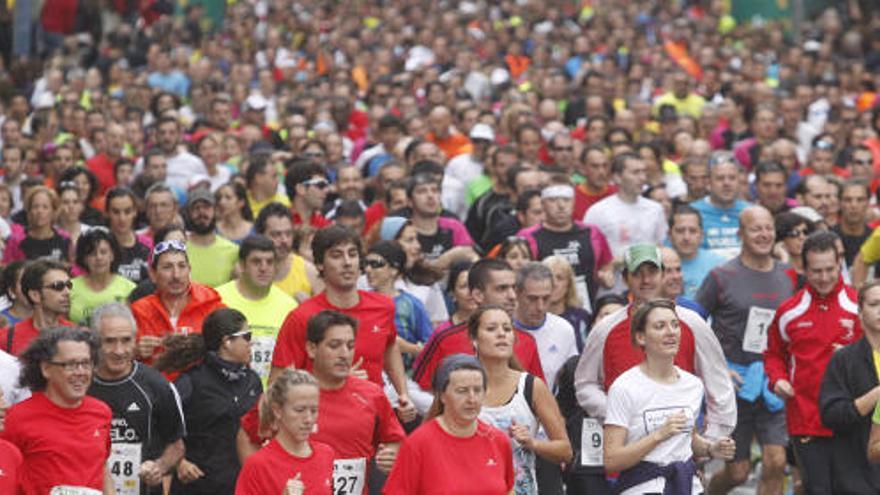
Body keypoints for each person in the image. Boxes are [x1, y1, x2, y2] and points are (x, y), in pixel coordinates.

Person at [574, 243, 736, 439]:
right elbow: (585, 384)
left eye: (652, 272)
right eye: (637, 273)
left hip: (681, 443)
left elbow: (719, 384)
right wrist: (617, 416)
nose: (646, 280)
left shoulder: (692, 323)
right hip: (625, 446)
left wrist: (712, 439)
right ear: (625, 278)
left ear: (662, 275)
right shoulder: (605, 328)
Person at [270, 225, 416, 422]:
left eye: (353, 254)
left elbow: (389, 347)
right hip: (321, 424)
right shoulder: (301, 317)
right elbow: (277, 384)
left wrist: (403, 395)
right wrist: (334, 381)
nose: (347, 262)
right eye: (336, 255)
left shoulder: (383, 306)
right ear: (320, 264)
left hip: (373, 419)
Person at [697, 206, 795, 495]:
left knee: (776, 461)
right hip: (734, 384)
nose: (763, 234)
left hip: (773, 381)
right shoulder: (721, 276)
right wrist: (716, 367)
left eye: (768, 228)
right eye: (755, 229)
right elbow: (694, 324)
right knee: (738, 474)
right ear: (741, 234)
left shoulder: (788, 275)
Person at [765, 231, 863, 494]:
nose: (824, 278)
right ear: (804, 269)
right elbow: (774, 354)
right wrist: (778, 379)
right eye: (816, 271)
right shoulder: (789, 311)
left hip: (853, 419)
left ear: (839, 263)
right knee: (817, 489)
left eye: (830, 269)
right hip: (806, 419)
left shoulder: (860, 307)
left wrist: (855, 356)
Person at [604, 299, 735, 494]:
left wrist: (710, 448)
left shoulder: (692, 385)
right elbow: (612, 460)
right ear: (641, 337)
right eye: (660, 326)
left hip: (688, 485)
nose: (671, 331)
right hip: (643, 486)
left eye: (675, 325)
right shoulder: (624, 387)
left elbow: (686, 439)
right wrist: (658, 435)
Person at [156, 308, 262, 495]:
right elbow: (158, 423)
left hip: (241, 487)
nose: (251, 342)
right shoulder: (191, 382)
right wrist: (179, 462)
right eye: (246, 336)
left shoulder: (253, 381)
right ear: (227, 342)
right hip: (198, 486)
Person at [470, 305, 572, 495]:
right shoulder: (457, 383)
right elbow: (428, 438)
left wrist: (533, 443)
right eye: (491, 329)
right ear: (474, 340)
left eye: (507, 329)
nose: (501, 334)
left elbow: (565, 450)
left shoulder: (532, 386)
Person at [87, 302, 186, 495]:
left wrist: (159, 466)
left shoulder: (156, 384)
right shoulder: (80, 385)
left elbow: (176, 445)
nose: (119, 350)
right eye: (109, 341)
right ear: (94, 341)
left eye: (126, 340)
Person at [2, 326, 114, 494]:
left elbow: (102, 466)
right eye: (70, 365)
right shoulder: (16, 418)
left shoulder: (101, 412)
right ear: (46, 368)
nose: (80, 372)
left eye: (86, 364)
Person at [383, 354, 515, 494]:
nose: (472, 399)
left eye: (477, 390)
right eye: (462, 391)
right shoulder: (418, 444)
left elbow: (509, 490)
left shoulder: (498, 440)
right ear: (442, 396)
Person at [412, 259, 545, 391]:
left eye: (514, 288)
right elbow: (419, 388)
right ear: (478, 295)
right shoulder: (445, 339)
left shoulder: (528, 341)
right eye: (502, 288)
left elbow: (538, 395)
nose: (512, 296)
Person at [819, 281, 880, 493]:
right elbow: (831, 415)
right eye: (875, 304)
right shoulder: (844, 360)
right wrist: (875, 395)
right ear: (860, 312)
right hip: (857, 475)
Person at [519, 176, 614, 311]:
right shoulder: (528, 237)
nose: (561, 206)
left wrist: (606, 275)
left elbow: (606, 264)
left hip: (586, 310)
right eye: (553, 200)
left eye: (566, 199)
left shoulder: (592, 233)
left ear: (574, 201)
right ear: (543, 203)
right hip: (543, 312)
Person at [235, 369, 335, 495]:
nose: (308, 419)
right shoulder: (258, 465)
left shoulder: (326, 454)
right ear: (277, 411)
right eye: (300, 410)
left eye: (314, 410)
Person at [215, 234, 298, 383]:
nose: (264, 268)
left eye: (269, 262)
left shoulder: (290, 306)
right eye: (256, 262)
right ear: (242, 265)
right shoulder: (218, 299)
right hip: (229, 394)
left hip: (274, 399)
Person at [131, 239, 225, 364]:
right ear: (153, 274)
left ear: (189, 270)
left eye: (182, 266)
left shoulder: (211, 303)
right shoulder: (139, 311)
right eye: (167, 267)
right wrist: (134, 352)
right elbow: (117, 354)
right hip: (156, 381)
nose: (176, 275)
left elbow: (231, 347)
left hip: (201, 382)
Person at [584, 152, 667, 257]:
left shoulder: (655, 209)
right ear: (617, 177)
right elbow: (590, 252)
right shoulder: (598, 211)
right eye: (635, 173)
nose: (642, 178)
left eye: (643, 172)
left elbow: (662, 246)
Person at [365, 241, 433, 365]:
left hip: (406, 377)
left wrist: (406, 347)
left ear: (394, 270)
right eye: (366, 264)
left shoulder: (412, 304)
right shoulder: (360, 301)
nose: (368, 269)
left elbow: (432, 350)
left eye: (376, 264)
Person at [513, 262, 578, 392]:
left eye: (546, 298)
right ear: (517, 293)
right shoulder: (501, 329)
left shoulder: (564, 329)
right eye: (532, 299)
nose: (540, 307)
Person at [0, 259, 73, 355]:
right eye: (58, 286)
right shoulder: (6, 338)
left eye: (69, 285)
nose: (67, 292)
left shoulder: (76, 334)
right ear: (35, 295)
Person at [690, 152, 751, 260]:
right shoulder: (691, 212)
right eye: (720, 178)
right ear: (709, 182)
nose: (726, 183)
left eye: (732, 178)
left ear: (739, 181)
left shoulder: (752, 212)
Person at [255, 202, 320, 302]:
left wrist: (308, 306)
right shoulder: (245, 271)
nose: (284, 240)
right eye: (276, 234)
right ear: (260, 235)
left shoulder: (309, 272)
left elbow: (325, 315)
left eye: (288, 233)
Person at [70, 228, 136, 325]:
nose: (99, 258)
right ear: (84, 259)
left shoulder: (129, 288)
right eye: (92, 254)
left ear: (112, 255)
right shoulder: (69, 287)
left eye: (103, 252)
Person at [185, 188, 240, 288]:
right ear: (189, 214)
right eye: (196, 208)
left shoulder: (233, 250)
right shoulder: (180, 248)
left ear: (216, 211)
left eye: (206, 207)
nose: (201, 212)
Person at [668, 205, 724, 299]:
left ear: (701, 235)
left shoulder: (719, 266)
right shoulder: (658, 265)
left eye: (693, 231)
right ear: (669, 235)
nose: (686, 237)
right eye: (680, 231)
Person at [3, 185, 72, 263]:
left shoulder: (64, 239)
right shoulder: (16, 241)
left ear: (53, 211)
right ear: (29, 211)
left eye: (45, 207)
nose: (40, 211)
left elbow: (71, 268)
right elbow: (7, 270)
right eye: (35, 206)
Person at [543, 255, 592, 352]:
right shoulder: (533, 317)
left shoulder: (582, 317)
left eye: (560, 278)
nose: (554, 283)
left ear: (569, 284)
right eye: (549, 277)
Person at [105, 187, 152, 284]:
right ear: (107, 213)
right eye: (116, 212)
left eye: (127, 211)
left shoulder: (149, 246)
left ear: (135, 212)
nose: (122, 218)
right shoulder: (98, 247)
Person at [436, 261, 476, 334]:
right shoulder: (443, 332)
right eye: (464, 286)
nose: (471, 291)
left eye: (475, 284)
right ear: (452, 294)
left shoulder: (498, 326)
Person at [0, 260, 32, 329]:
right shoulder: (2, 322)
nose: (32, 287)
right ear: (12, 291)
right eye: (25, 283)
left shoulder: (53, 318)